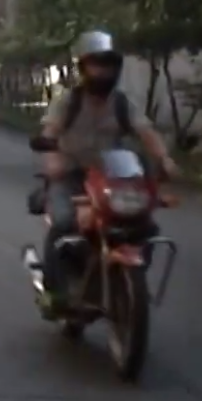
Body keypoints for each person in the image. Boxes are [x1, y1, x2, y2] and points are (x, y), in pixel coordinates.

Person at [34, 31, 181, 313]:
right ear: (83, 67)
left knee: (145, 226)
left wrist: (164, 159)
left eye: (108, 64)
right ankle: (54, 292)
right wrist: (52, 158)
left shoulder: (123, 103)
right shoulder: (69, 101)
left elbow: (146, 132)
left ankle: (122, 280)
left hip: (111, 175)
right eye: (96, 64)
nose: (103, 71)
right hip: (71, 175)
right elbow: (50, 131)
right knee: (65, 223)